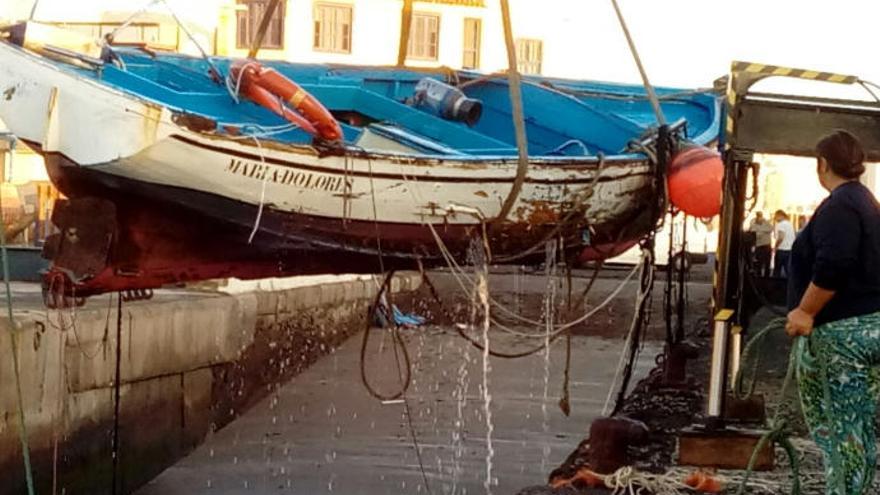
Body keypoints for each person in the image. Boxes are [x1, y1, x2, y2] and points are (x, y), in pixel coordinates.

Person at [786, 130, 880, 495]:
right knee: (858, 433)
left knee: (839, 434)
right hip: (868, 329)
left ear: (822, 164)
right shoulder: (867, 203)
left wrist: (805, 312)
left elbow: (834, 264)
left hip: (841, 338)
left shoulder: (840, 205)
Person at [748, 211, 773, 277]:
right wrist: (763, 231)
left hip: (767, 245)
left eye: (761, 216)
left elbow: (770, 229)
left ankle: (767, 277)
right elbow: (755, 233)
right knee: (759, 263)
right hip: (759, 246)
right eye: (758, 216)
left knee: (767, 263)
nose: (760, 217)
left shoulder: (766, 222)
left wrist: (760, 230)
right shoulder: (753, 222)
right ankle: (759, 276)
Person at [773, 209, 795, 277]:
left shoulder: (781, 224)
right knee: (788, 270)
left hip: (782, 250)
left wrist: (775, 247)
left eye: (776, 216)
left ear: (780, 216)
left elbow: (781, 237)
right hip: (790, 249)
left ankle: (776, 285)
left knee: (777, 270)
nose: (775, 218)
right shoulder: (789, 224)